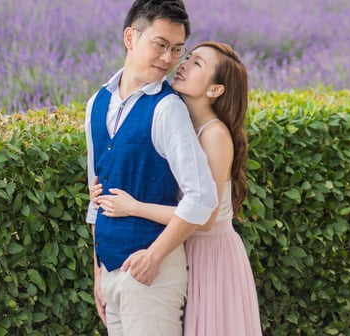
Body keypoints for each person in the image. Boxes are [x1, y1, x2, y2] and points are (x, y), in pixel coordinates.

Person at [92, 41, 263, 336]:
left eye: (197, 64)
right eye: (188, 57)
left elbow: (205, 217)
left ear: (215, 90)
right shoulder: (178, 122)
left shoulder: (214, 134)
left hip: (211, 253)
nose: (182, 64)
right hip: (182, 244)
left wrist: (134, 207)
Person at [85, 0, 218, 336]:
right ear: (130, 37)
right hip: (112, 275)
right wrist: (99, 273)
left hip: (152, 276)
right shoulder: (95, 104)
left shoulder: (167, 108)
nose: (168, 58)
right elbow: (96, 197)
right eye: (160, 44)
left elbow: (202, 197)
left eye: (177, 49)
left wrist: (154, 256)